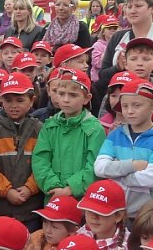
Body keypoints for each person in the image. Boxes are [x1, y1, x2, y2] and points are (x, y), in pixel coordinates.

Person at [94, 79, 153, 217]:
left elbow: (151, 178)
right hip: (115, 210)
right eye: (124, 106)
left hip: (146, 213)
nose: (129, 111)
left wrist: (116, 175)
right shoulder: (115, 135)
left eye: (137, 105)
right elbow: (99, 168)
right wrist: (133, 165)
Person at [32, 68, 105, 200]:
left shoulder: (94, 129)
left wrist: (70, 189)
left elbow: (95, 166)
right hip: (53, 196)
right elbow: (40, 160)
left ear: (86, 98)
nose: (66, 99)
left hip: (82, 199)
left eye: (73, 95)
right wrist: (53, 186)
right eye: (61, 93)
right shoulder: (49, 126)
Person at [0, 72, 42, 227]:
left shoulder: (39, 129)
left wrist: (30, 188)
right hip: (0, 208)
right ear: (1, 100)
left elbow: (43, 163)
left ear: (32, 100)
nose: (14, 105)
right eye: (8, 100)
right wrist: (7, 191)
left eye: (20, 100)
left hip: (31, 209)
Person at [76, 179, 130, 250]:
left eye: (100, 212)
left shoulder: (129, 247)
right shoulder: (80, 234)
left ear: (118, 216)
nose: (93, 217)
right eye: (89, 210)